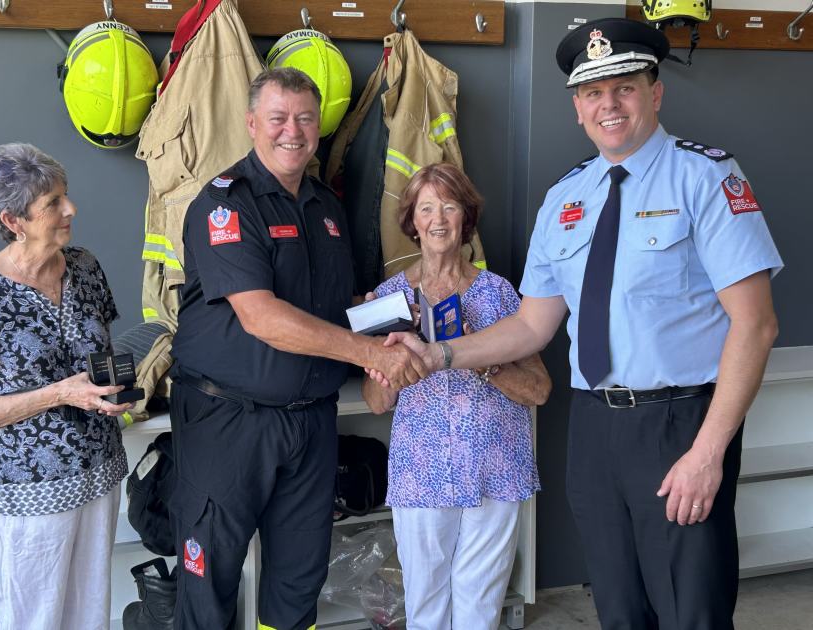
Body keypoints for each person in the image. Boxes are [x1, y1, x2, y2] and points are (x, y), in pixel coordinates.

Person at [376, 18, 783, 630]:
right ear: (576, 107)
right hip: (594, 429)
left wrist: (708, 452)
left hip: (679, 424)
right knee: (617, 607)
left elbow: (756, 327)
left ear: (655, 92)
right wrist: (436, 354)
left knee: (690, 610)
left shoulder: (705, 177)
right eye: (593, 92)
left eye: (623, 87)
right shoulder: (566, 200)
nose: (608, 105)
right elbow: (532, 327)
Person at [168, 67, 426, 630]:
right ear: (252, 123)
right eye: (279, 118)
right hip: (228, 421)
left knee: (299, 576)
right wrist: (372, 357)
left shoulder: (324, 207)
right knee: (209, 575)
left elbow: (335, 309)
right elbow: (262, 317)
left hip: (311, 423)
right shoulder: (225, 206)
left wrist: (399, 319)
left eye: (305, 119)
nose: (293, 131)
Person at [362, 162, 551, 629]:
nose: (438, 219)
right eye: (426, 208)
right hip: (421, 473)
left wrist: (477, 352)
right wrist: (378, 361)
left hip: (496, 470)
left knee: (480, 607)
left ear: (466, 218)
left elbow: (539, 390)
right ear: (413, 221)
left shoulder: (500, 294)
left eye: (449, 206)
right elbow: (375, 402)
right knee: (425, 605)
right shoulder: (388, 299)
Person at [0, 143, 133, 630]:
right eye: (53, 204)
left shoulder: (84, 267)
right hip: (28, 488)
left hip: (98, 471)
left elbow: (97, 357)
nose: (71, 209)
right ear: (13, 220)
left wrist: (114, 390)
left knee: (89, 613)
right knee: (35, 618)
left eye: (67, 196)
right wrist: (59, 393)